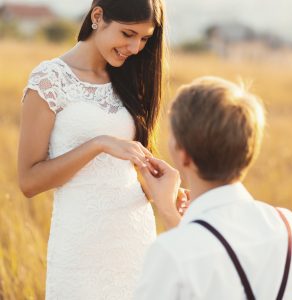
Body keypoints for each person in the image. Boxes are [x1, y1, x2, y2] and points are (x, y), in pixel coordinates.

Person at [17, 0, 179, 299]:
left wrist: (161, 192)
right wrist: (98, 144)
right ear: (98, 16)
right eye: (128, 33)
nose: (135, 47)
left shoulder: (130, 80)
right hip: (79, 245)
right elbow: (29, 182)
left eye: (144, 38)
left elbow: (126, 171)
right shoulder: (50, 79)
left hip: (133, 237)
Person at [135, 77, 292, 299]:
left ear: (183, 156)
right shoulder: (287, 226)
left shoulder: (170, 253)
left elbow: (196, 256)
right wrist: (169, 213)